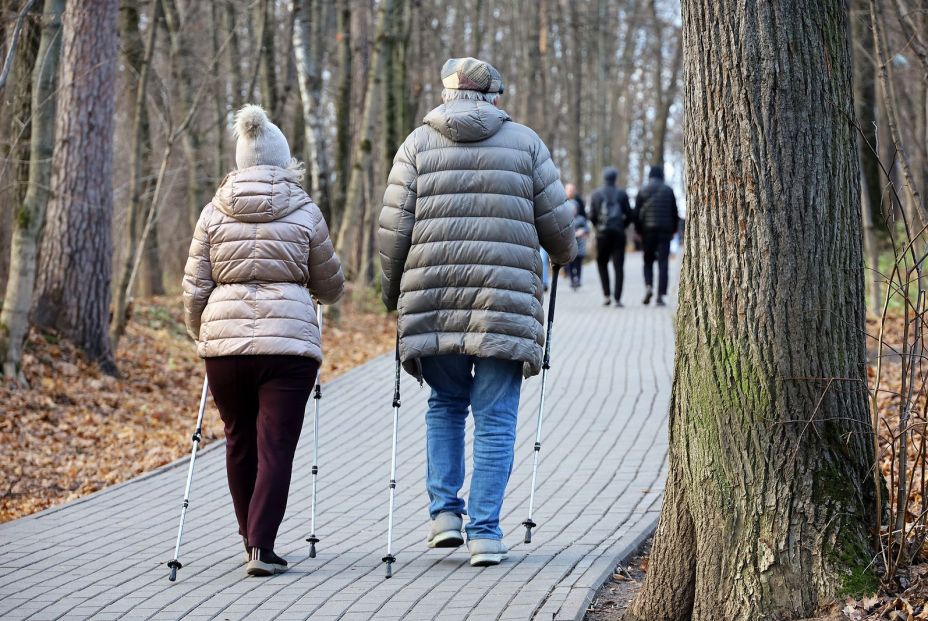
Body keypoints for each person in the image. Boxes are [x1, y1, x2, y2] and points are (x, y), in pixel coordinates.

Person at [378, 57, 577, 567]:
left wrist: (390, 294)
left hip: (432, 299)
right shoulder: (527, 144)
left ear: (447, 96)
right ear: (493, 98)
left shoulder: (416, 145)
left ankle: (445, 515)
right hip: (502, 301)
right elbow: (559, 232)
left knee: (445, 403)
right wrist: (562, 255)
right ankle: (485, 533)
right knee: (495, 418)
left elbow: (393, 231)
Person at [182, 104, 344, 577]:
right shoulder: (305, 210)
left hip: (224, 349)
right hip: (289, 347)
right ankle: (262, 546)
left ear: (240, 161)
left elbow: (195, 287)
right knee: (275, 444)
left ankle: (246, 537)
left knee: (239, 440)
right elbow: (330, 285)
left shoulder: (213, 212)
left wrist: (203, 334)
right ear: (283, 160)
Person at [635, 165, 679, 306]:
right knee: (663, 263)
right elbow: (674, 213)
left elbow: (636, 214)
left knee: (648, 261)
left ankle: (648, 286)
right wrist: (673, 231)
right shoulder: (669, 190)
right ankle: (660, 296)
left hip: (647, 232)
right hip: (665, 232)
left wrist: (638, 231)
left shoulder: (643, 190)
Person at [589, 167, 633, 306]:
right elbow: (630, 215)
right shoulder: (622, 194)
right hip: (618, 235)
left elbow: (592, 216)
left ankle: (607, 295)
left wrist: (597, 227)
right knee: (618, 266)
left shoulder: (596, 194)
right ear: (615, 178)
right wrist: (622, 226)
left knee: (602, 264)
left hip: (602, 235)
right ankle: (618, 298)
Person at [568, 198, 590, 289]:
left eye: (575, 208)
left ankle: (578, 280)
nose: (573, 210)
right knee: (570, 265)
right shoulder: (566, 219)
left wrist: (583, 231)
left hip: (580, 246)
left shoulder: (581, 219)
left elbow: (587, 229)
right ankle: (572, 280)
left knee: (578, 265)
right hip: (570, 246)